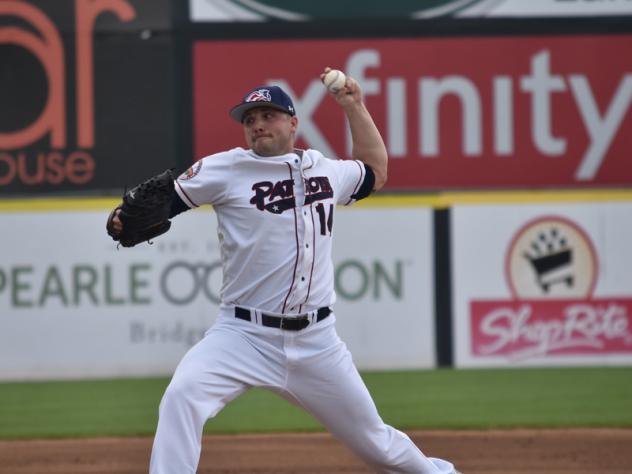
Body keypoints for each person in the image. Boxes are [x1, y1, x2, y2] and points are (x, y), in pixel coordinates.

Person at [109, 67, 460, 474]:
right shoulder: (225, 169)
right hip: (243, 335)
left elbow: (374, 172)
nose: (257, 124)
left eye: (268, 115)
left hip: (317, 342)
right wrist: (122, 218)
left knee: (376, 443)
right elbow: (163, 203)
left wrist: (354, 105)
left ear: (293, 123)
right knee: (182, 395)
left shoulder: (325, 169)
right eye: (250, 119)